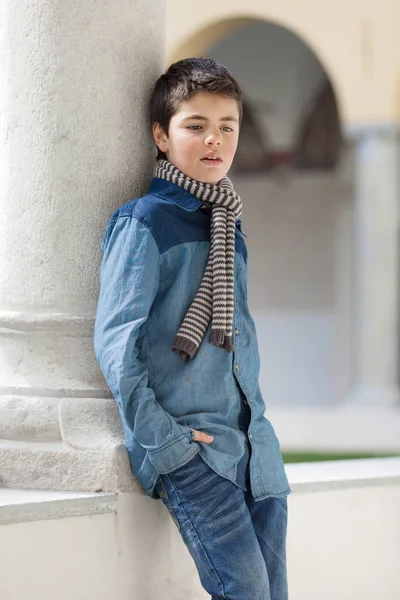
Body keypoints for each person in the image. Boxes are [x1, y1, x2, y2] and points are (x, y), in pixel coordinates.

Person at [94, 57, 291, 600]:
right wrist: (167, 443)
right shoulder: (146, 220)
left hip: (253, 447)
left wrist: (260, 428)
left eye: (227, 126)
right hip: (196, 449)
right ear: (161, 135)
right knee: (244, 591)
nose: (214, 140)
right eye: (195, 125)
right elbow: (116, 346)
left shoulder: (228, 222)